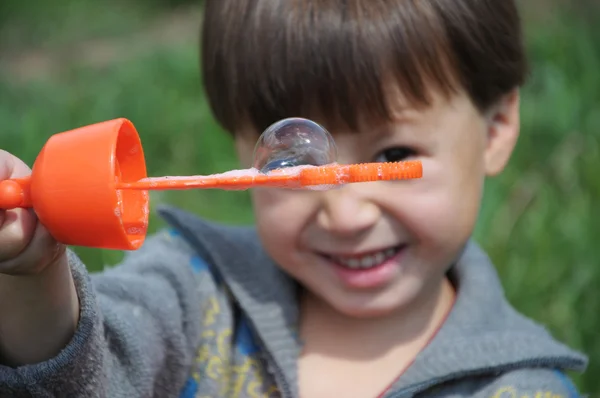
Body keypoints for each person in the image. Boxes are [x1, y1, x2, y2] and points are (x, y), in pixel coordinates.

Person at [0, 0, 588, 397]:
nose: (346, 215)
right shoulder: (197, 292)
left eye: (390, 158)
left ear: (496, 128)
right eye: (295, 165)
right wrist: (34, 273)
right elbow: (85, 368)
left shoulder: (521, 388)